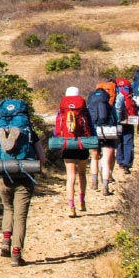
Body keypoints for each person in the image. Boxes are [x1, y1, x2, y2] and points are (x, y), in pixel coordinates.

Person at [0, 98, 38, 267]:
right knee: (20, 216)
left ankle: (6, 241)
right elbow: (42, 157)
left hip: (2, 173)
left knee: (8, 208)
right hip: (24, 173)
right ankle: (16, 254)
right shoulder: (29, 131)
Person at [52, 87, 94, 217]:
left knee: (70, 176)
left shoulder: (62, 110)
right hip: (82, 144)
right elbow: (91, 127)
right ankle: (82, 201)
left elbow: (56, 130)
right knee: (82, 174)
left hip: (68, 144)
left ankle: (71, 206)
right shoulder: (83, 109)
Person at [85, 82, 120, 197]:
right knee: (105, 161)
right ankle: (105, 186)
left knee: (94, 158)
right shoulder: (109, 106)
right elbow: (116, 119)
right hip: (108, 133)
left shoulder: (90, 107)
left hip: (95, 132)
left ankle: (94, 182)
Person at [112, 77, 138, 175]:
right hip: (128, 120)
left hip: (117, 121)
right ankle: (127, 164)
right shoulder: (130, 91)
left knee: (119, 141)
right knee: (128, 141)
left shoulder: (115, 92)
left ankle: (120, 161)